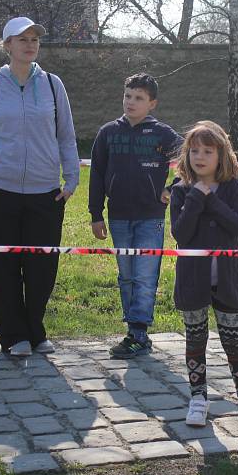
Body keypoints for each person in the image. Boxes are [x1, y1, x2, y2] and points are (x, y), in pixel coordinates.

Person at [0, 16, 80, 357]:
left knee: (41, 268)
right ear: (7, 45)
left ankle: (36, 330)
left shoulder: (53, 85)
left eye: (34, 39)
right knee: (3, 268)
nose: (30, 44)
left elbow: (66, 136)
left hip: (46, 193)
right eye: (22, 39)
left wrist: (71, 178)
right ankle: (13, 336)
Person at [170, 121, 238, 430]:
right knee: (195, 339)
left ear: (221, 154)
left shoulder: (234, 188)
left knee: (233, 341)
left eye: (207, 151)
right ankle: (198, 397)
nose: (200, 157)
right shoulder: (181, 190)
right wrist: (196, 197)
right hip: (193, 280)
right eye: (194, 150)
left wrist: (211, 199)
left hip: (226, 280)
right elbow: (181, 233)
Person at [88, 73, 183, 358]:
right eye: (128, 95)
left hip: (150, 218)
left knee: (144, 275)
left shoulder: (162, 134)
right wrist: (96, 213)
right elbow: (96, 174)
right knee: (126, 275)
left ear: (152, 103)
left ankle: (139, 333)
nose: (131, 102)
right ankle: (132, 329)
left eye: (139, 98)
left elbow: (191, 158)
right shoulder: (108, 133)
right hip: (118, 217)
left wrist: (172, 187)